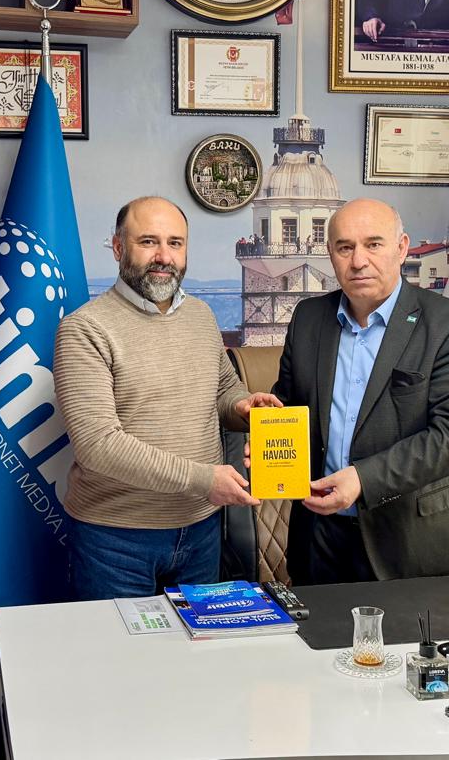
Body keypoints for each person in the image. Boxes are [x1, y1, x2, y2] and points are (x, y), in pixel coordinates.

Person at [54, 196, 282, 600]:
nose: (164, 256)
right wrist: (204, 480)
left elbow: (223, 389)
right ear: (118, 248)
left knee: (198, 642)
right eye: (148, 242)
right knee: (119, 643)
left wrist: (243, 406)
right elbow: (97, 445)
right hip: (115, 540)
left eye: (175, 243)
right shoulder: (84, 329)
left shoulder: (201, 316)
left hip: (201, 532)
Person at [269, 198, 449, 585]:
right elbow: (291, 408)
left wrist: (363, 479)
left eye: (373, 244)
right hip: (320, 540)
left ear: (402, 248)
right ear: (330, 254)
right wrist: (267, 436)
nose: (358, 261)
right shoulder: (308, 318)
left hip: (415, 543)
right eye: (345, 247)